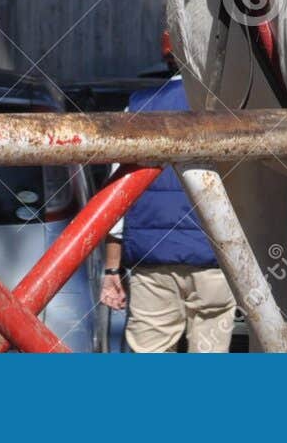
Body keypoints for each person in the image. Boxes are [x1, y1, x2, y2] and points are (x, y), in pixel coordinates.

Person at [100, 58, 235, 352]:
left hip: (153, 262)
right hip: (216, 259)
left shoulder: (138, 109)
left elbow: (117, 202)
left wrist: (111, 270)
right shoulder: (230, 108)